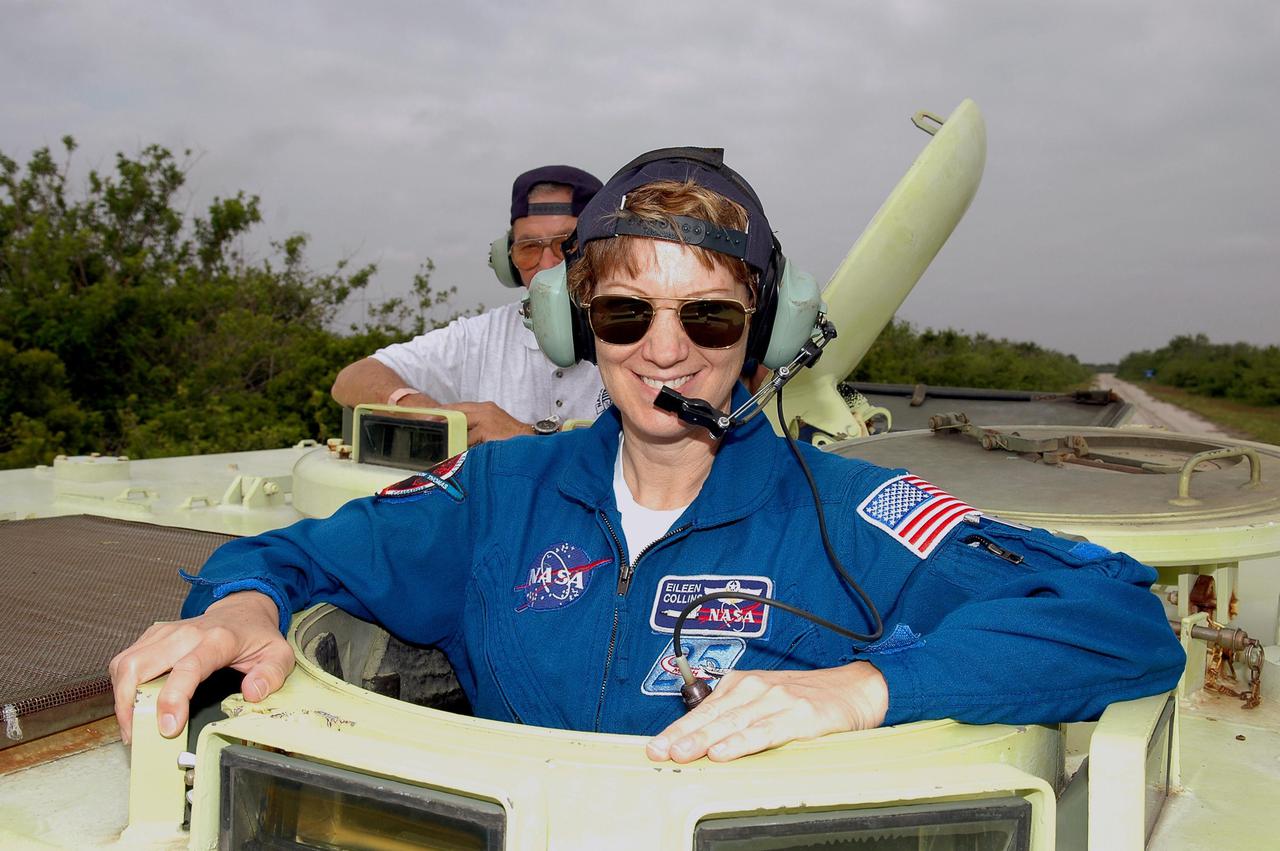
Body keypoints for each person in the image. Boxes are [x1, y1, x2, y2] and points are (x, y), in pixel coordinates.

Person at [111, 148, 1184, 764]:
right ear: (577, 328)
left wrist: (862, 686)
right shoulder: (495, 493)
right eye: (625, 312)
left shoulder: (853, 510)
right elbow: (285, 560)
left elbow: (1114, 615)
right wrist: (238, 607)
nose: (664, 347)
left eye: (708, 318)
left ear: (759, 334)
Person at [330, 165, 610, 445]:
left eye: (566, 245)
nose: (548, 264)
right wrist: (429, 414)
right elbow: (352, 378)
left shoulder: (638, 330)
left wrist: (526, 438)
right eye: (529, 248)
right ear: (506, 261)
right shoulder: (483, 336)